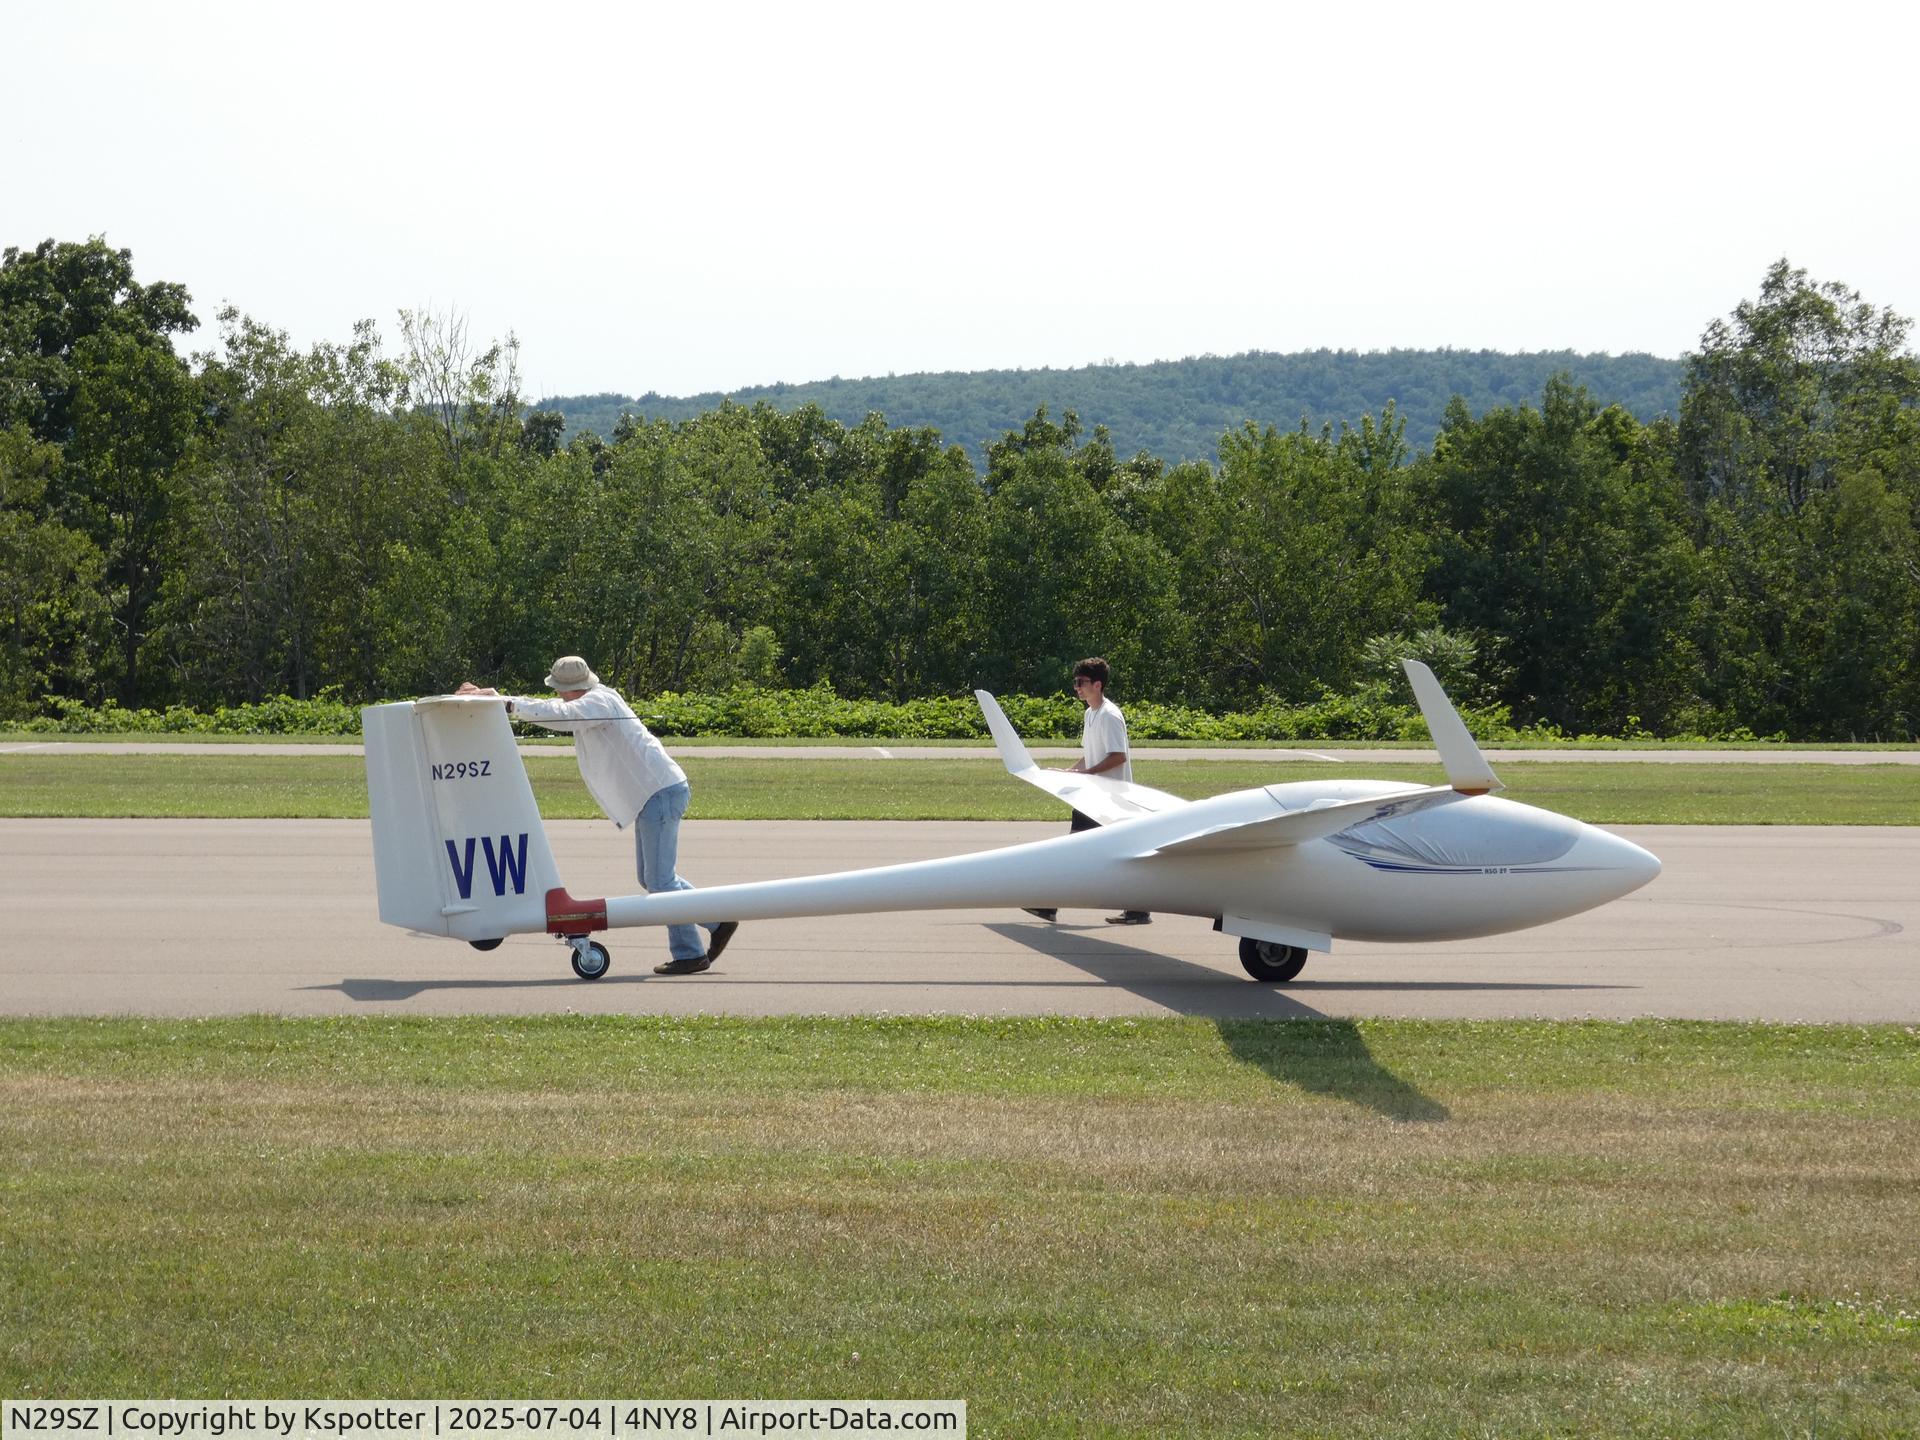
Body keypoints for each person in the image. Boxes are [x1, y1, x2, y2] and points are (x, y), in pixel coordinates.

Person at [457, 656, 737, 974]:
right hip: (656, 792)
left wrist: (504, 703)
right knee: (654, 879)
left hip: (659, 792)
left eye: (562, 689)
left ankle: (691, 953)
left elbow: (562, 715)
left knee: (660, 881)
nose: (559, 695)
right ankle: (718, 919)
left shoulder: (597, 702)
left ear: (574, 687)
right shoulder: (593, 700)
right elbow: (560, 711)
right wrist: (500, 701)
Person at [1024, 656, 1152, 926]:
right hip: (1092, 796)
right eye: (1075, 682)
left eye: (1081, 682)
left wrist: (1086, 774)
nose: (1076, 688)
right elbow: (1091, 756)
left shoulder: (1110, 715)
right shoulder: (1090, 714)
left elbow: (1118, 757)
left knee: (1074, 851)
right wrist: (1071, 772)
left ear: (1097, 684)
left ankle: (1047, 904)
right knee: (1101, 854)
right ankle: (1138, 910)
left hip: (1110, 799)